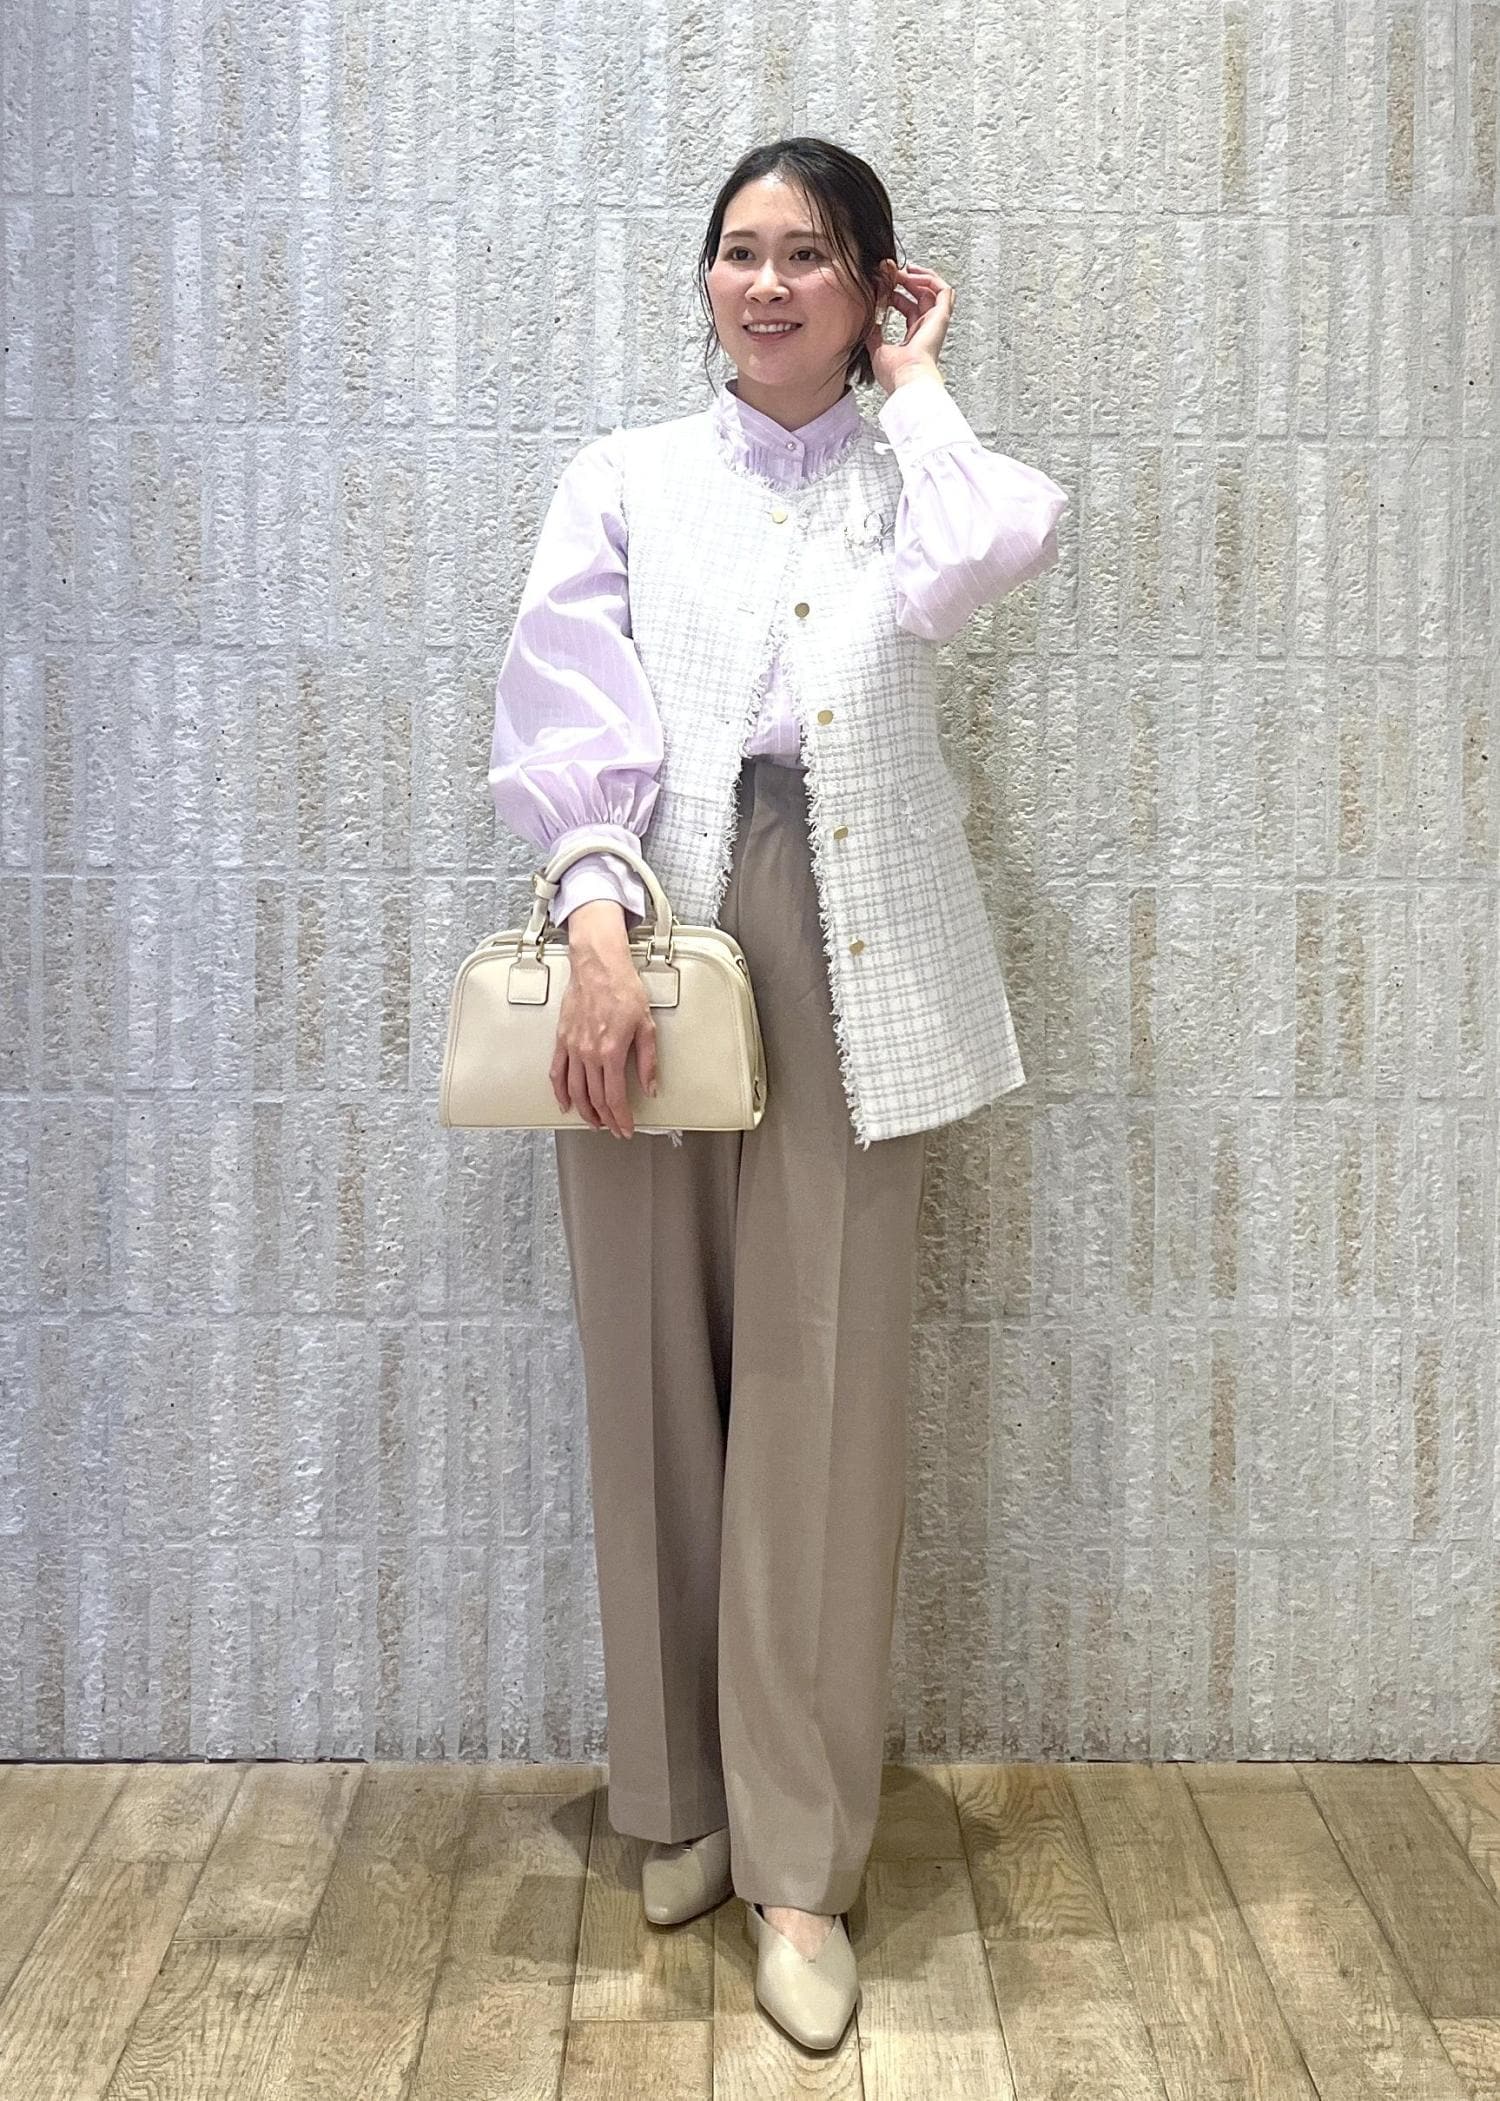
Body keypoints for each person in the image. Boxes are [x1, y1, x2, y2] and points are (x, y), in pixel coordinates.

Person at [489, 136, 1069, 2051]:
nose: (761, 284)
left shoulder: (918, 479)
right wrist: (591, 917)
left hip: (851, 932)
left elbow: (998, 546)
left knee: (819, 1394)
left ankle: (799, 1862)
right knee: (648, 1360)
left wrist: (919, 384)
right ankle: (680, 1798)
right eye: (736, 250)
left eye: (807, 255)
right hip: (644, 925)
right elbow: (562, 700)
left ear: (871, 286)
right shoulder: (628, 477)